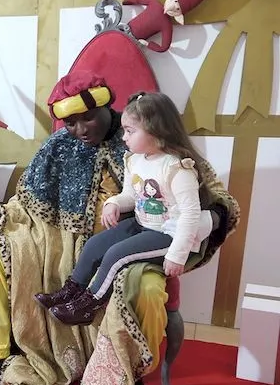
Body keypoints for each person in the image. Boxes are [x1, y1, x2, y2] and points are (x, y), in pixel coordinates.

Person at [0, 71, 239, 385]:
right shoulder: (58, 145)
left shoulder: (148, 141)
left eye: (87, 117)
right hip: (55, 239)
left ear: (106, 107)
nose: (81, 129)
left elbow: (213, 193)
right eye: (70, 122)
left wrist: (212, 218)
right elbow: (26, 199)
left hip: (138, 240)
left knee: (145, 290)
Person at [42, 92, 214, 326]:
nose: (124, 137)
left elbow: (190, 214)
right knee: (95, 245)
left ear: (156, 129)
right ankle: (72, 290)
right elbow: (131, 195)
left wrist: (177, 254)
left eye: (130, 131)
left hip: (169, 233)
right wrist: (113, 203)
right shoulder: (135, 160)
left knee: (116, 254)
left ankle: (88, 304)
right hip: (143, 224)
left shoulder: (177, 169)